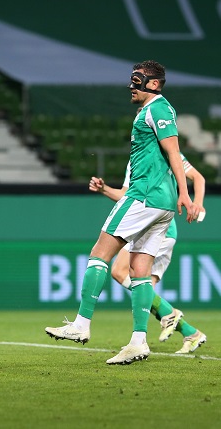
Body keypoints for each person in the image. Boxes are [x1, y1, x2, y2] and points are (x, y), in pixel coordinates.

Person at [45, 60, 199, 365]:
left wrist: (186, 192)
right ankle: (139, 341)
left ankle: (81, 324)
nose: (131, 85)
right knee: (140, 273)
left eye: (137, 80)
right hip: (161, 205)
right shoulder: (151, 110)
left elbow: (173, 152)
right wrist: (179, 195)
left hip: (144, 196)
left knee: (99, 254)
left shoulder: (158, 108)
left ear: (153, 84)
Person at [88, 153, 207, 354]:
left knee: (120, 271)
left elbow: (198, 177)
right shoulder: (135, 160)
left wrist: (198, 202)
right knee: (145, 296)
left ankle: (167, 316)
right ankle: (191, 333)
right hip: (144, 228)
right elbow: (127, 196)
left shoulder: (168, 152)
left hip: (158, 229)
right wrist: (105, 189)